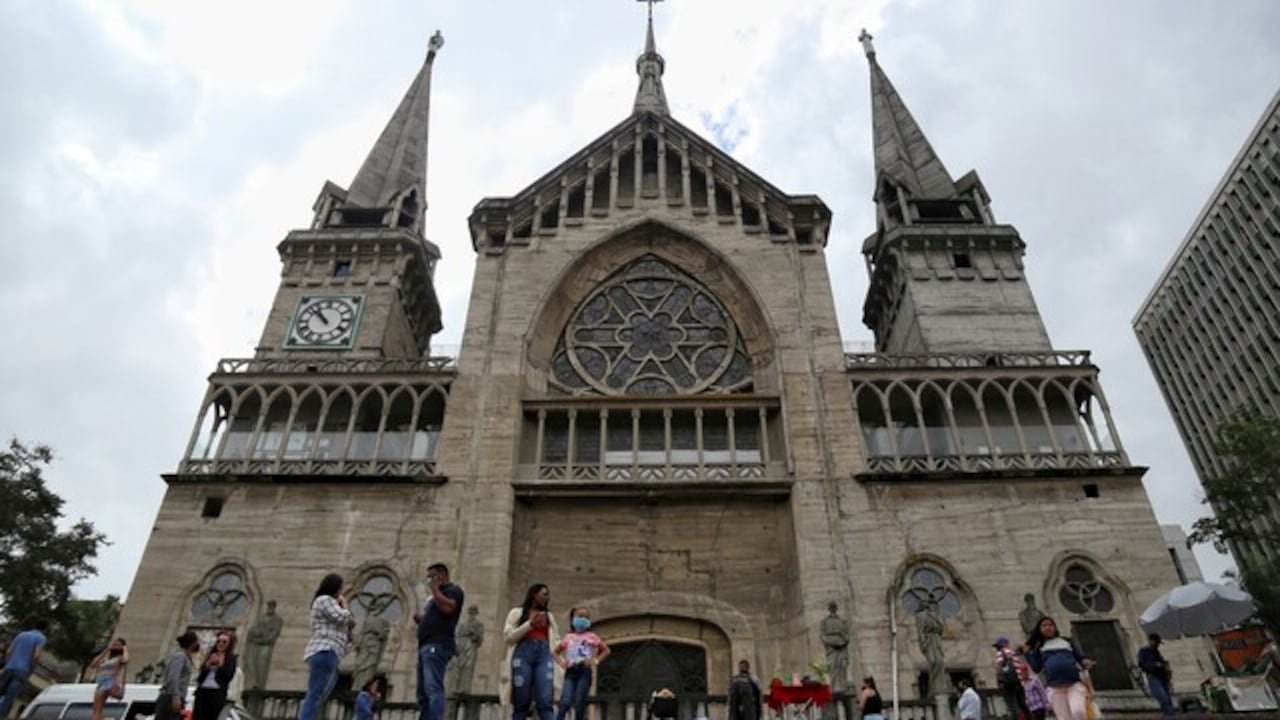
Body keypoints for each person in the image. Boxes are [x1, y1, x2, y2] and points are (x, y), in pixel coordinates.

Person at [299, 573, 356, 720]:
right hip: (325, 650)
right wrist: (345, 606)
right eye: (341, 587)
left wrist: (349, 629)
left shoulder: (329, 604)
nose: (342, 591)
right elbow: (342, 616)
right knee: (315, 693)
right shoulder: (324, 600)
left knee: (319, 696)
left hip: (333, 653)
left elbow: (346, 641)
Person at [502, 584, 560, 720]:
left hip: (544, 655)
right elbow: (508, 637)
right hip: (522, 655)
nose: (547, 597)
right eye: (544, 594)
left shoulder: (549, 616)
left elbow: (556, 639)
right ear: (534, 594)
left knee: (545, 700)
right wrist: (530, 624)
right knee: (521, 701)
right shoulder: (517, 612)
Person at [415, 562, 464, 720]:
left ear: (441, 576)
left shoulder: (453, 591)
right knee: (422, 693)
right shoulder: (433, 599)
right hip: (425, 644)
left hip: (438, 644)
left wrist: (435, 589)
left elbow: (448, 608)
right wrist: (421, 620)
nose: (428, 581)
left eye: (431, 577)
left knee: (433, 687)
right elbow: (435, 616)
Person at [1024, 616, 1094, 720]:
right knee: (1064, 718)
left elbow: (1080, 657)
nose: (1048, 628)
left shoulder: (1066, 641)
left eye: (1050, 625)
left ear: (1055, 627)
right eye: (1044, 626)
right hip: (1055, 688)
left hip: (1073, 684)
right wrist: (1028, 653)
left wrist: (1085, 662)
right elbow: (1037, 667)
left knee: (1078, 712)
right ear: (1040, 629)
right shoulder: (1039, 647)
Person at [554, 607, 610, 720]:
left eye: (585, 617)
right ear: (574, 619)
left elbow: (606, 650)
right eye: (580, 616)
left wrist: (595, 661)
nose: (582, 620)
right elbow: (555, 652)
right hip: (570, 671)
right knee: (565, 702)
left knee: (580, 702)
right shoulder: (568, 637)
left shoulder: (592, 636)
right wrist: (562, 662)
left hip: (584, 671)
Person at [0, 618, 50, 717]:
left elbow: (9, 651)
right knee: (10, 696)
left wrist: (7, 664)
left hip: (10, 666)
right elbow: (36, 656)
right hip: (23, 670)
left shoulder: (21, 634)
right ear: (45, 629)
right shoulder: (41, 638)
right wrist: (32, 669)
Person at [193, 632, 237, 720]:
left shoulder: (230, 658)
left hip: (216, 693)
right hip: (203, 692)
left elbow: (228, 676)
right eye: (218, 641)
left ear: (229, 644)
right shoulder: (210, 655)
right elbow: (200, 676)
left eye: (224, 642)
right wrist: (207, 665)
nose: (220, 644)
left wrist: (221, 664)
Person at [158, 632, 201, 720]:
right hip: (170, 697)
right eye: (197, 641)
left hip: (176, 697)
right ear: (192, 643)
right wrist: (176, 696)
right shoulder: (180, 656)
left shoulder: (186, 657)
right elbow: (173, 677)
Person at [244, 600, 284, 690]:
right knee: (251, 664)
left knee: (262, 663)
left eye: (272, 606)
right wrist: (255, 635)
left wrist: (263, 639)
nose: (270, 608)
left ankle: (259, 684)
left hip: (265, 644)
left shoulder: (278, 620)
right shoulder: (261, 617)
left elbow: (273, 635)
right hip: (255, 643)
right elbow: (252, 630)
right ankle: (253, 683)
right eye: (269, 606)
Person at [90, 638, 129, 720]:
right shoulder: (107, 659)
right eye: (115, 644)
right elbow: (93, 664)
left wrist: (125, 648)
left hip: (109, 681)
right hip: (101, 682)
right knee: (97, 709)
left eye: (118, 645)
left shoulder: (119, 658)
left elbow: (126, 660)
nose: (116, 646)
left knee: (97, 710)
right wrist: (106, 650)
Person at [1137, 633, 1175, 716]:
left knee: (1168, 698)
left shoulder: (1156, 652)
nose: (1158, 645)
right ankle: (1169, 715)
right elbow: (1142, 665)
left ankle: (1170, 714)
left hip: (1163, 677)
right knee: (1163, 697)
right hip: (1154, 677)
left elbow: (1162, 663)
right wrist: (1155, 665)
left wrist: (1166, 668)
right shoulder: (1143, 652)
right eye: (1156, 643)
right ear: (1151, 641)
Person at [993, 637, 1029, 720]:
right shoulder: (1013, 653)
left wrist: (1000, 681)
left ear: (1003, 644)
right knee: (1023, 705)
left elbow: (999, 667)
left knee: (1012, 706)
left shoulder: (1001, 652)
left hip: (1008, 683)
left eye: (998, 645)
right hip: (1018, 682)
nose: (997, 648)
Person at [820, 603, 850, 692]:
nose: (833, 608)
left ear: (836, 608)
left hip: (842, 647)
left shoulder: (842, 620)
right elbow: (823, 635)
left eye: (834, 607)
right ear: (829, 609)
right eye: (831, 607)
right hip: (831, 648)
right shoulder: (824, 621)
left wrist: (844, 641)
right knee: (833, 669)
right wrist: (832, 643)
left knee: (842, 667)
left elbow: (846, 634)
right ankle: (832, 689)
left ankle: (843, 688)